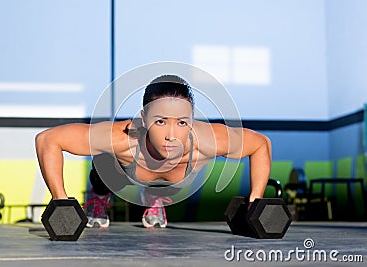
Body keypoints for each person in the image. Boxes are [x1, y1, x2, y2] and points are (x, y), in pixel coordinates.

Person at [35, 74, 271, 229]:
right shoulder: (122, 138)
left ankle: (156, 199)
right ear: (144, 119)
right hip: (122, 173)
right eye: (160, 122)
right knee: (104, 161)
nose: (172, 134)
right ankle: (99, 198)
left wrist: (255, 201)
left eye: (181, 122)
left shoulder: (207, 141)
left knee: (173, 177)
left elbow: (261, 144)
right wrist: (60, 199)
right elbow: (48, 139)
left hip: (175, 180)